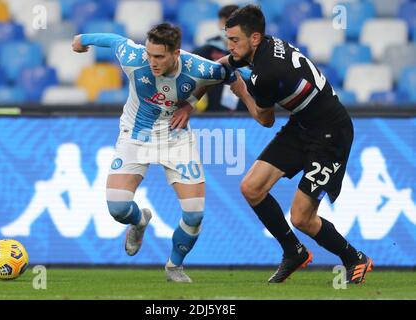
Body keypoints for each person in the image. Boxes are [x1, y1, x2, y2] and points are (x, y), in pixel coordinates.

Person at [222, 5, 373, 284]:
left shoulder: (264, 75)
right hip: (303, 125)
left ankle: (355, 258)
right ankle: (294, 251)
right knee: (252, 188)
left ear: (254, 38)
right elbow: (231, 62)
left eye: (234, 40)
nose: (229, 46)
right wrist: (207, 66)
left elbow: (264, 120)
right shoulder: (269, 44)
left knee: (302, 217)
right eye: (227, 39)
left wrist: (242, 91)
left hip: (331, 134)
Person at [72, 23, 234, 282]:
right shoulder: (135, 59)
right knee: (118, 208)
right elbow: (115, 39)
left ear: (176, 54)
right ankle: (139, 221)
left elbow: (229, 74)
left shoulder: (198, 67)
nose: (152, 61)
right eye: (150, 54)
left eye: (159, 56)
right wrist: (82, 38)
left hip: (176, 137)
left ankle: (174, 267)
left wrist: (190, 105)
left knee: (194, 214)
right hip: (136, 136)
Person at [193, 4, 247, 112]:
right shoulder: (205, 51)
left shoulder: (252, 52)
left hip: (246, 117)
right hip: (213, 116)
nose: (227, 28)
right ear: (219, 23)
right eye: (224, 22)